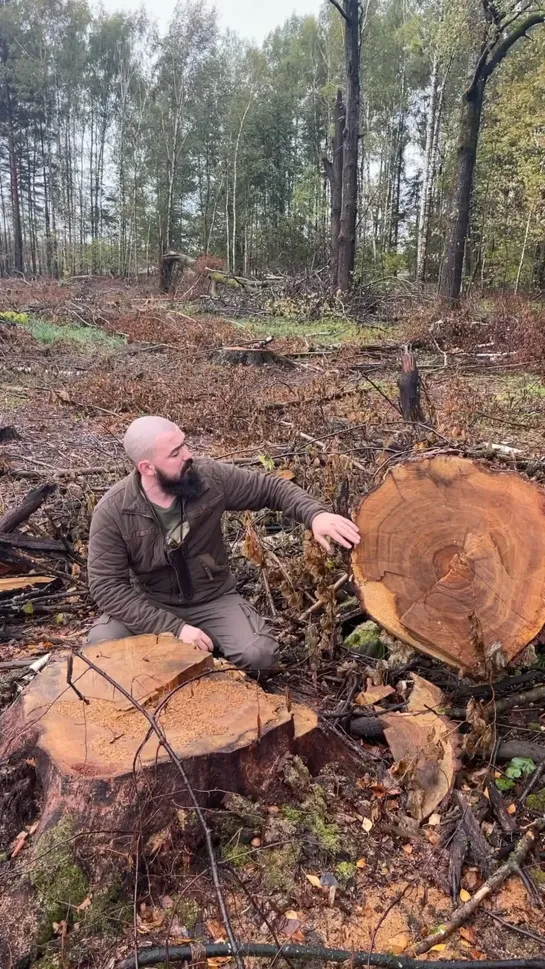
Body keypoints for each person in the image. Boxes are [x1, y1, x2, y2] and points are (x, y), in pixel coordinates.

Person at [87, 416, 361, 671]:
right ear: (146, 467)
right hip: (152, 603)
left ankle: (207, 650)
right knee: (102, 648)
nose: (188, 455)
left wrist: (316, 515)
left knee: (260, 655)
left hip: (212, 598)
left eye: (184, 445)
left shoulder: (208, 477)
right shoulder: (114, 511)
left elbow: (271, 489)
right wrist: (175, 629)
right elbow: (107, 587)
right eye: (175, 453)